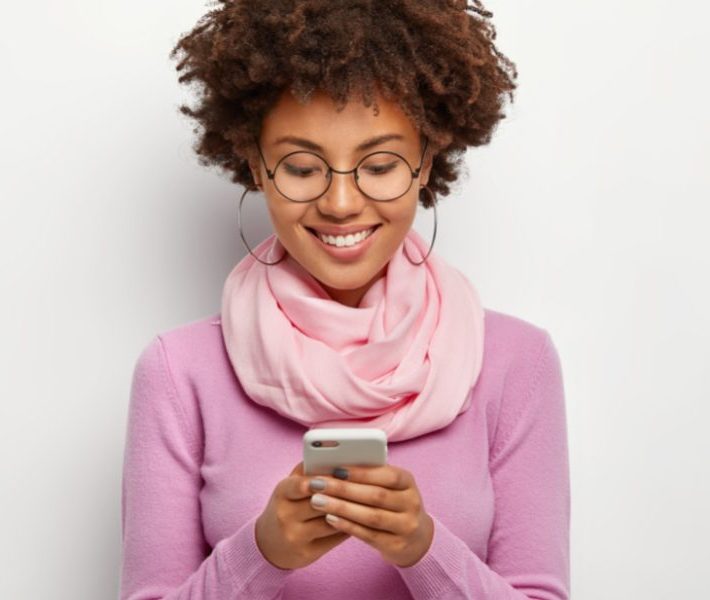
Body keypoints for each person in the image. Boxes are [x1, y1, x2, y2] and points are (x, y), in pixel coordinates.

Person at [119, 1, 570, 598]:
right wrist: (262, 554)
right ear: (257, 166)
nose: (339, 204)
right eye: (302, 167)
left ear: (425, 162)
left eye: (379, 164)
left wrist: (423, 550)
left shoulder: (517, 364)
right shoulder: (179, 373)